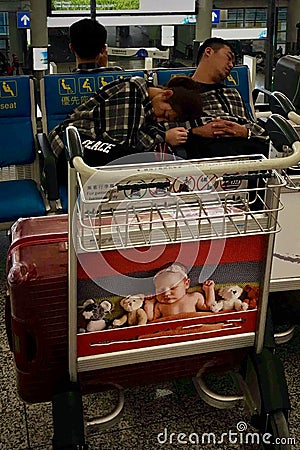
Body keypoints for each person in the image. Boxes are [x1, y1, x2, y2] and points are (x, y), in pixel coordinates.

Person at [48, 75, 203, 182]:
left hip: (94, 146)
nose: (160, 120)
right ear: (166, 94)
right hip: (72, 143)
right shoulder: (132, 92)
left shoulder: (148, 106)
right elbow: (126, 143)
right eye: (165, 115)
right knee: (126, 158)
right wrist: (163, 136)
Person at [177, 37, 269, 159]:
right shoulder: (181, 90)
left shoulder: (232, 93)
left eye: (233, 63)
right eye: (228, 58)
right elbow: (166, 126)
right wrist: (193, 131)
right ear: (208, 52)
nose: (231, 65)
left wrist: (244, 131)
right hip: (208, 155)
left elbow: (260, 132)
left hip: (248, 151)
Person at [145, 263, 216, 321]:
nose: (166, 293)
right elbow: (151, 319)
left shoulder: (194, 297)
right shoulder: (160, 305)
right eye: (161, 290)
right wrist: (149, 304)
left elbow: (209, 306)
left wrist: (209, 290)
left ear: (186, 284)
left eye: (173, 288)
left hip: (192, 325)